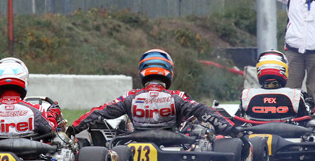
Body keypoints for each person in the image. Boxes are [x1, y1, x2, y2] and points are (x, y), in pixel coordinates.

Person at [70, 49, 241, 136]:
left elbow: (99, 113)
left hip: (134, 145)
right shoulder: (178, 97)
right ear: (168, 72)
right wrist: (231, 130)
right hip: (175, 145)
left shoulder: (130, 97)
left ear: (142, 72)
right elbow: (205, 112)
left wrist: (72, 129)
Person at [0, 57, 61, 139]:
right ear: (24, 80)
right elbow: (51, 130)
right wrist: (52, 114)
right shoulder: (36, 111)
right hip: (30, 151)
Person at [234, 50, 314, 120]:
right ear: (284, 69)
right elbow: (305, 119)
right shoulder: (295, 95)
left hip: (255, 135)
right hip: (288, 135)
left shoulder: (247, 95)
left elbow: (238, 120)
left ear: (259, 70)